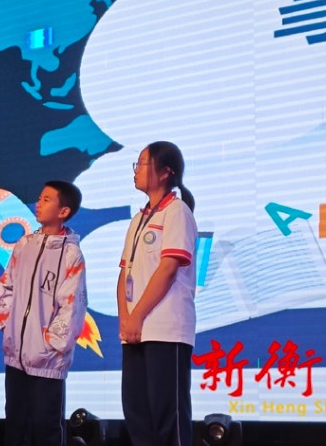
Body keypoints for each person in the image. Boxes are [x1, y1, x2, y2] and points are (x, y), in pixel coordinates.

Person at [0, 180, 88, 446]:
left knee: (46, 429)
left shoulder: (71, 254)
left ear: (63, 211)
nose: (38, 203)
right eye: (39, 197)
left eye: (47, 199)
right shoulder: (24, 244)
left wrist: (50, 344)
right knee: (15, 427)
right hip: (16, 358)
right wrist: (8, 325)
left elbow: (72, 307)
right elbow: (6, 285)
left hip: (47, 362)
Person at [117, 141, 197, 446]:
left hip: (165, 329)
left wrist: (136, 316)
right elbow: (124, 272)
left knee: (168, 417)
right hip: (135, 330)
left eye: (142, 163)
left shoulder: (177, 212)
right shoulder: (138, 219)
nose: (136, 170)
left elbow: (168, 268)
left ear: (165, 172)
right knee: (137, 415)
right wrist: (126, 319)